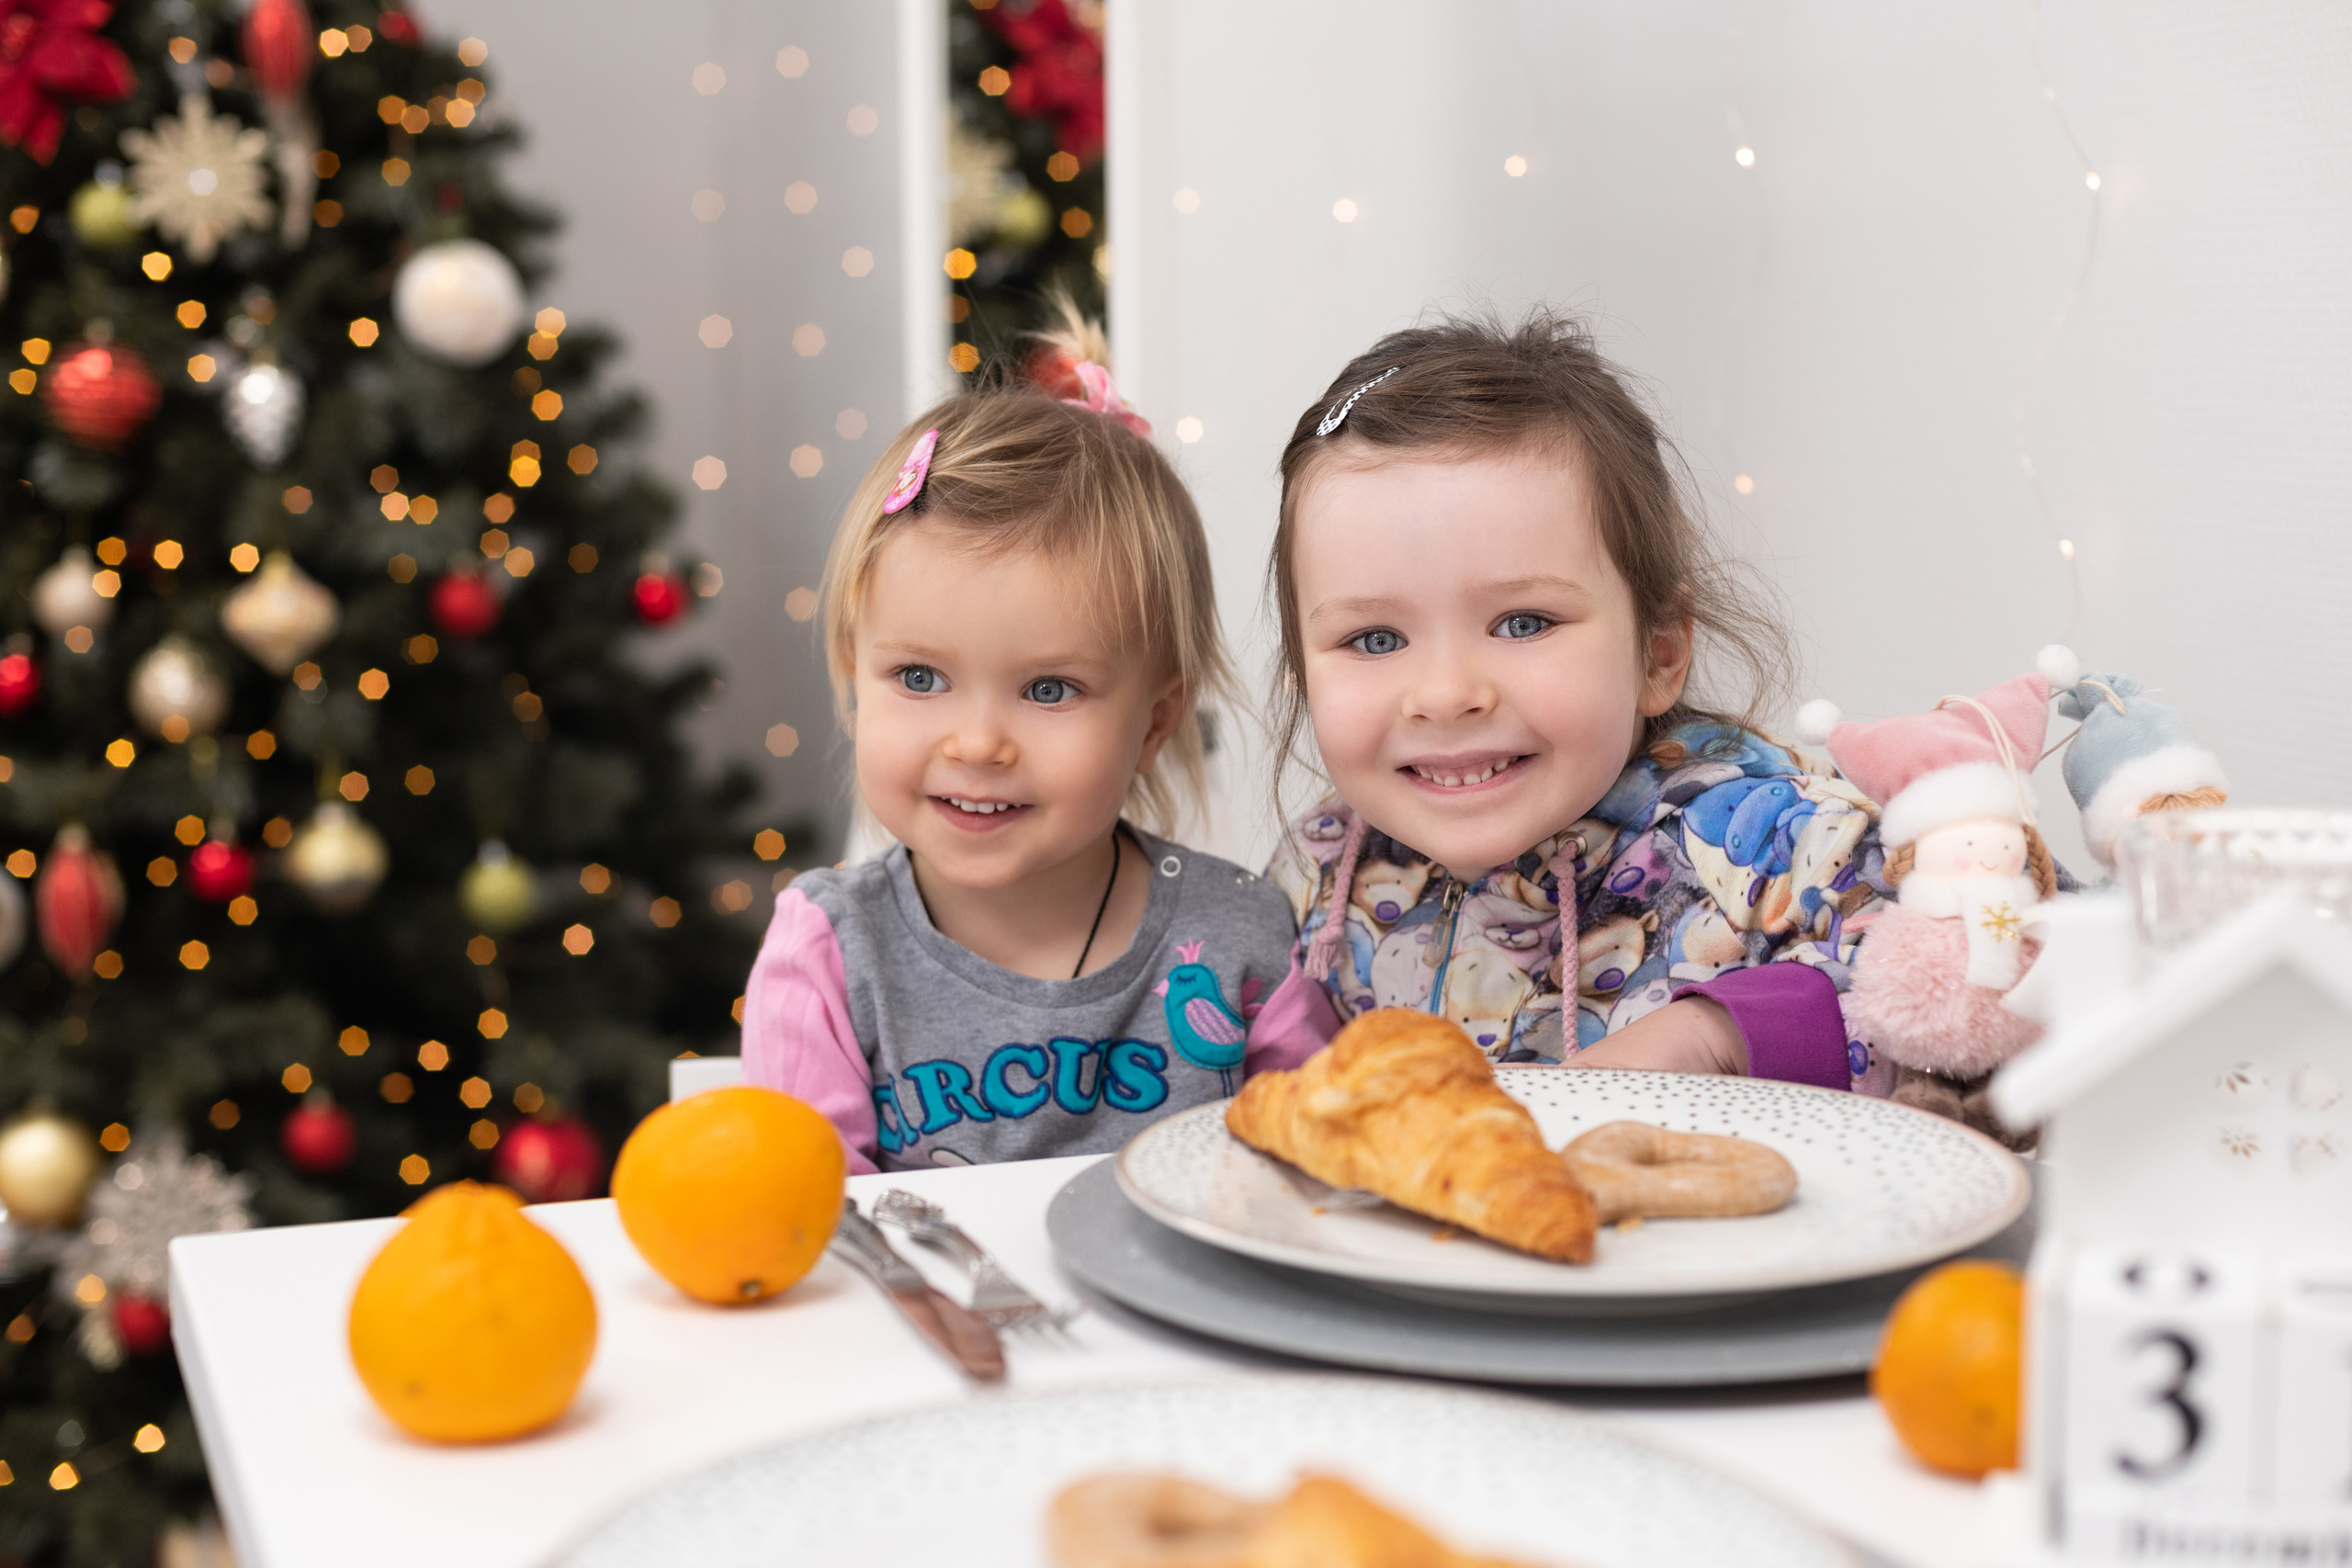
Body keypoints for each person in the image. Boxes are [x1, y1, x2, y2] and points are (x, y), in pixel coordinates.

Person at [742, 328, 1329, 1171]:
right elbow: (814, 1216)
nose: (978, 743)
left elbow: (1316, 1180)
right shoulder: (832, 952)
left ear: (1154, 722)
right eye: (918, 677)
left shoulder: (1241, 937)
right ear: (854, 678)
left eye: (1049, 689)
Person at [1265, 308, 1881, 1090]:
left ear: (1659, 651)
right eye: (1376, 639)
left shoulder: (1768, 839)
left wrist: (1721, 1035)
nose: (1446, 695)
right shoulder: (1322, 866)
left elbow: (1978, 986)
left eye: (1522, 623)